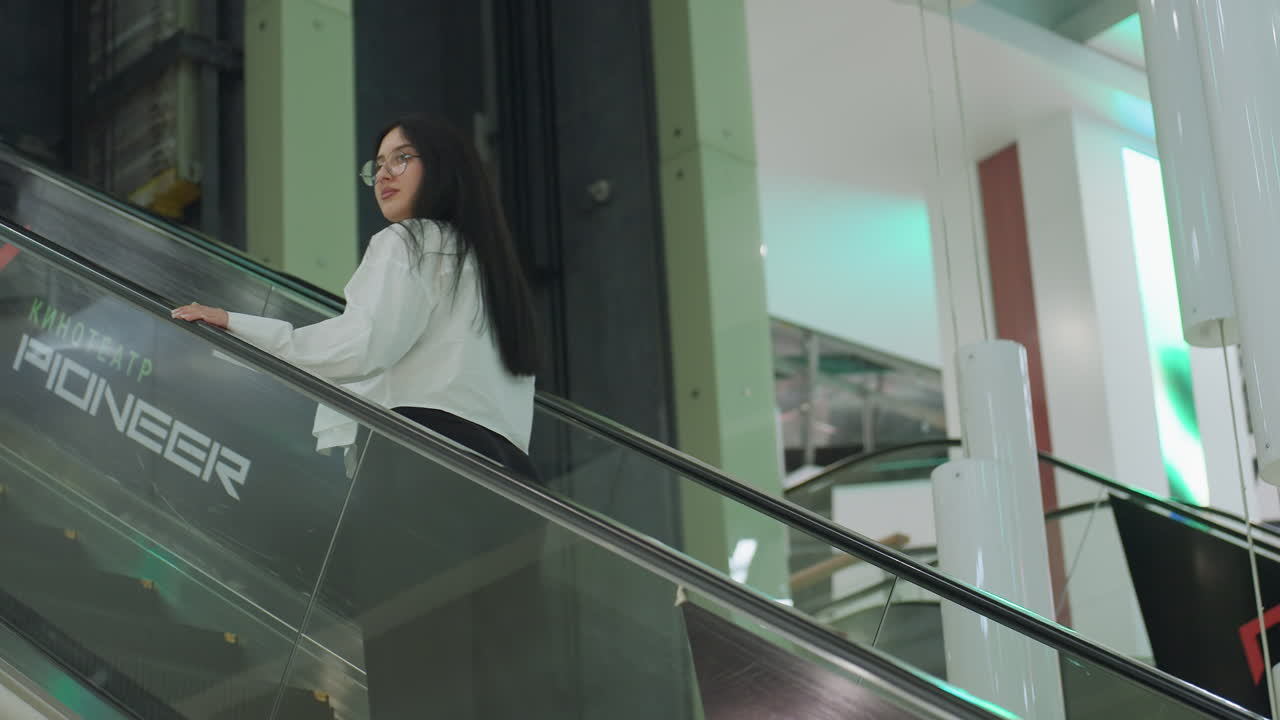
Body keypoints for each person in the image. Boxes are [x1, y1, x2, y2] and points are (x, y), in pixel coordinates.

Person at [173, 114, 560, 717]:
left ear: (445, 165)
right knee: (494, 690)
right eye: (376, 165)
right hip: (512, 492)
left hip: (421, 469)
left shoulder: (408, 242)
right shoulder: (495, 275)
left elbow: (361, 346)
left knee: (416, 674)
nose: (384, 174)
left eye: (402, 158)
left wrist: (243, 328)